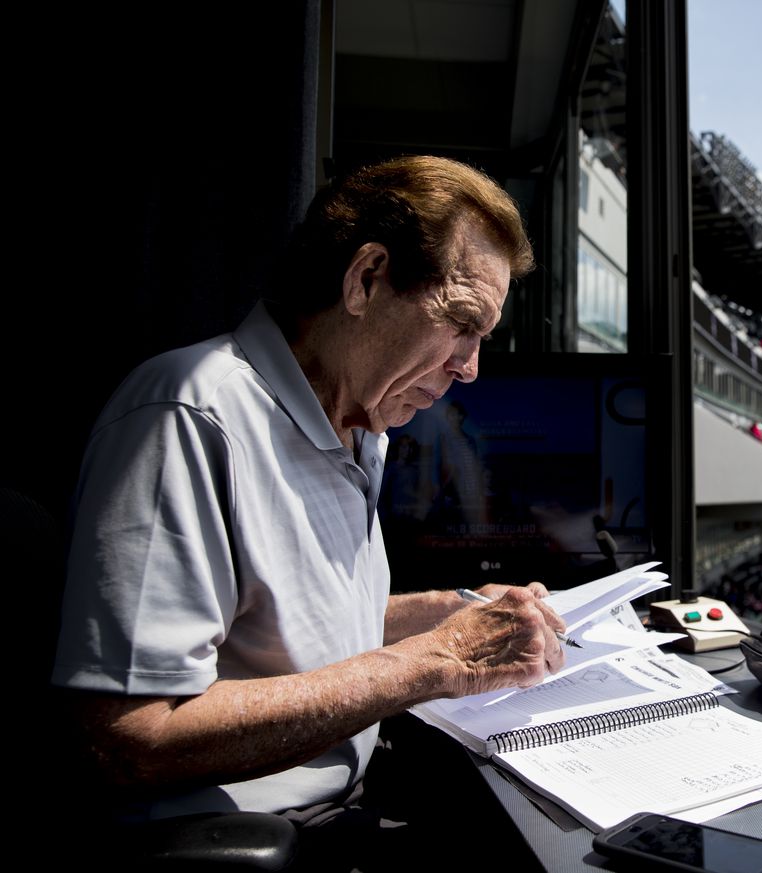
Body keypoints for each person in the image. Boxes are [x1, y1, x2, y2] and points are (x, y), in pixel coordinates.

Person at [51, 156, 564, 853]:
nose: (470, 366)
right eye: (463, 321)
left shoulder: (358, 432)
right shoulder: (188, 419)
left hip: (343, 805)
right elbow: (130, 736)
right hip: (250, 843)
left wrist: (451, 611)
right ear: (366, 279)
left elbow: (280, 626)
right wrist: (435, 661)